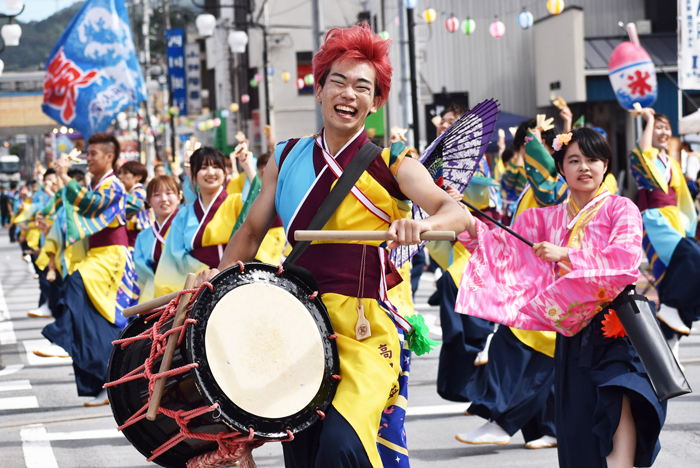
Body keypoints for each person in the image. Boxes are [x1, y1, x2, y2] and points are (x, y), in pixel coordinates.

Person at [196, 23, 469, 468]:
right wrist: (216, 280)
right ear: (318, 89)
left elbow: (456, 214)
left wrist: (421, 226)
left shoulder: (392, 160)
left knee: (342, 445)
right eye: (338, 81)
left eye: (363, 86)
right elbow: (249, 233)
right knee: (303, 454)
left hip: (365, 328)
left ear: (375, 101)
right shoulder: (284, 157)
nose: (349, 94)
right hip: (296, 323)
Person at [455, 128, 666, 468]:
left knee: (618, 400)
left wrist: (566, 254)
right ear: (561, 168)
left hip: (618, 327)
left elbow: (625, 260)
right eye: (574, 160)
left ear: (606, 165)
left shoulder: (620, 208)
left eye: (593, 159)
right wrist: (462, 215)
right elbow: (500, 248)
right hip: (571, 333)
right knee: (578, 423)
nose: (585, 167)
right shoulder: (542, 218)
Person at [454, 120, 563, 449]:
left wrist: (534, 137)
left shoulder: (554, 186)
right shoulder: (533, 187)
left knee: (514, 347)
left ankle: (500, 419)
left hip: (550, 282)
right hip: (534, 279)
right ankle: (545, 428)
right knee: (536, 359)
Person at [41, 133, 140, 406]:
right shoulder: (98, 184)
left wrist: (65, 179)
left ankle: (63, 335)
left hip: (112, 257)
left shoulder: (114, 185)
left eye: (93, 153)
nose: (88, 158)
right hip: (97, 255)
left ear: (110, 157)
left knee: (75, 285)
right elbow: (74, 208)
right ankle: (101, 384)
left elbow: (90, 205)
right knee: (98, 320)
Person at [632, 109, 700, 362]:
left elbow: (685, 195)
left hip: (675, 224)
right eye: (657, 127)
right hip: (655, 223)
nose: (663, 132)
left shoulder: (672, 162)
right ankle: (670, 312)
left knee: (674, 280)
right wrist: (647, 120)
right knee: (691, 261)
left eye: (666, 127)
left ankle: (670, 351)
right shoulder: (640, 157)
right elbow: (643, 153)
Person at [154, 146, 259, 297]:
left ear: (225, 172)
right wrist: (202, 276)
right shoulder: (183, 215)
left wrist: (248, 166)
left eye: (216, 167)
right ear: (194, 176)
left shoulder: (237, 204)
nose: (210, 172)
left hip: (237, 282)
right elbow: (173, 259)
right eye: (203, 168)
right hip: (197, 289)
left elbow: (259, 208)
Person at [134, 175, 180, 303]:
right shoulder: (143, 237)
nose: (164, 199)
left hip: (186, 293)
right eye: (157, 195)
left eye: (169, 193)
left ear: (179, 197)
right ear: (149, 201)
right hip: (156, 299)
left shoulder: (188, 227)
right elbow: (144, 276)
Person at [118, 160, 152, 248]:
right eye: (120, 173)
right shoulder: (133, 193)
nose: (120, 177)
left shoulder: (138, 193)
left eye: (125, 173)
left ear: (138, 177)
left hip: (138, 236)